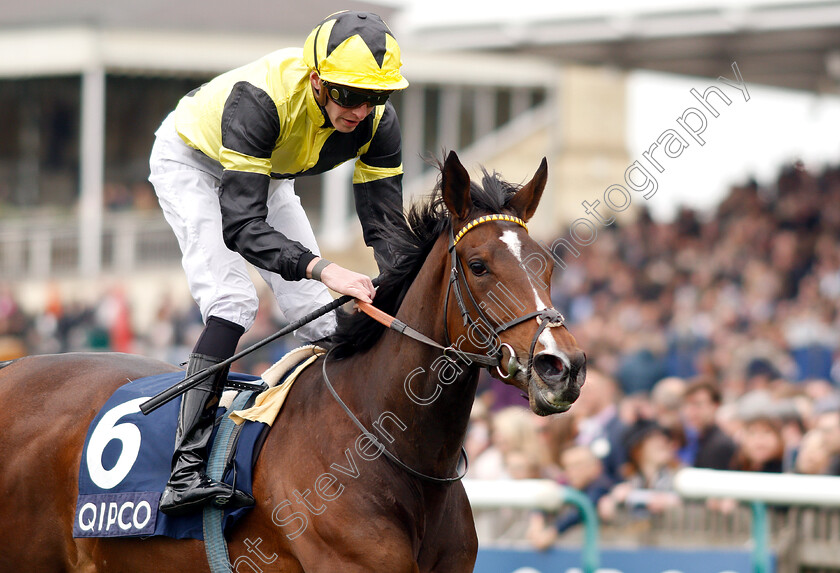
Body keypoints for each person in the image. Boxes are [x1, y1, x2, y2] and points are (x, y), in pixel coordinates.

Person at [147, 10, 409, 515]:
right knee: (233, 300)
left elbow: (384, 228)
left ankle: (346, 446)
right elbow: (242, 226)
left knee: (319, 315)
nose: (361, 111)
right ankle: (183, 469)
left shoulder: (378, 121)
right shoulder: (260, 100)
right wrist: (323, 267)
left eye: (377, 96)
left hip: (268, 175)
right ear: (317, 81)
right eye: (349, 96)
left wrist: (404, 288)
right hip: (192, 160)